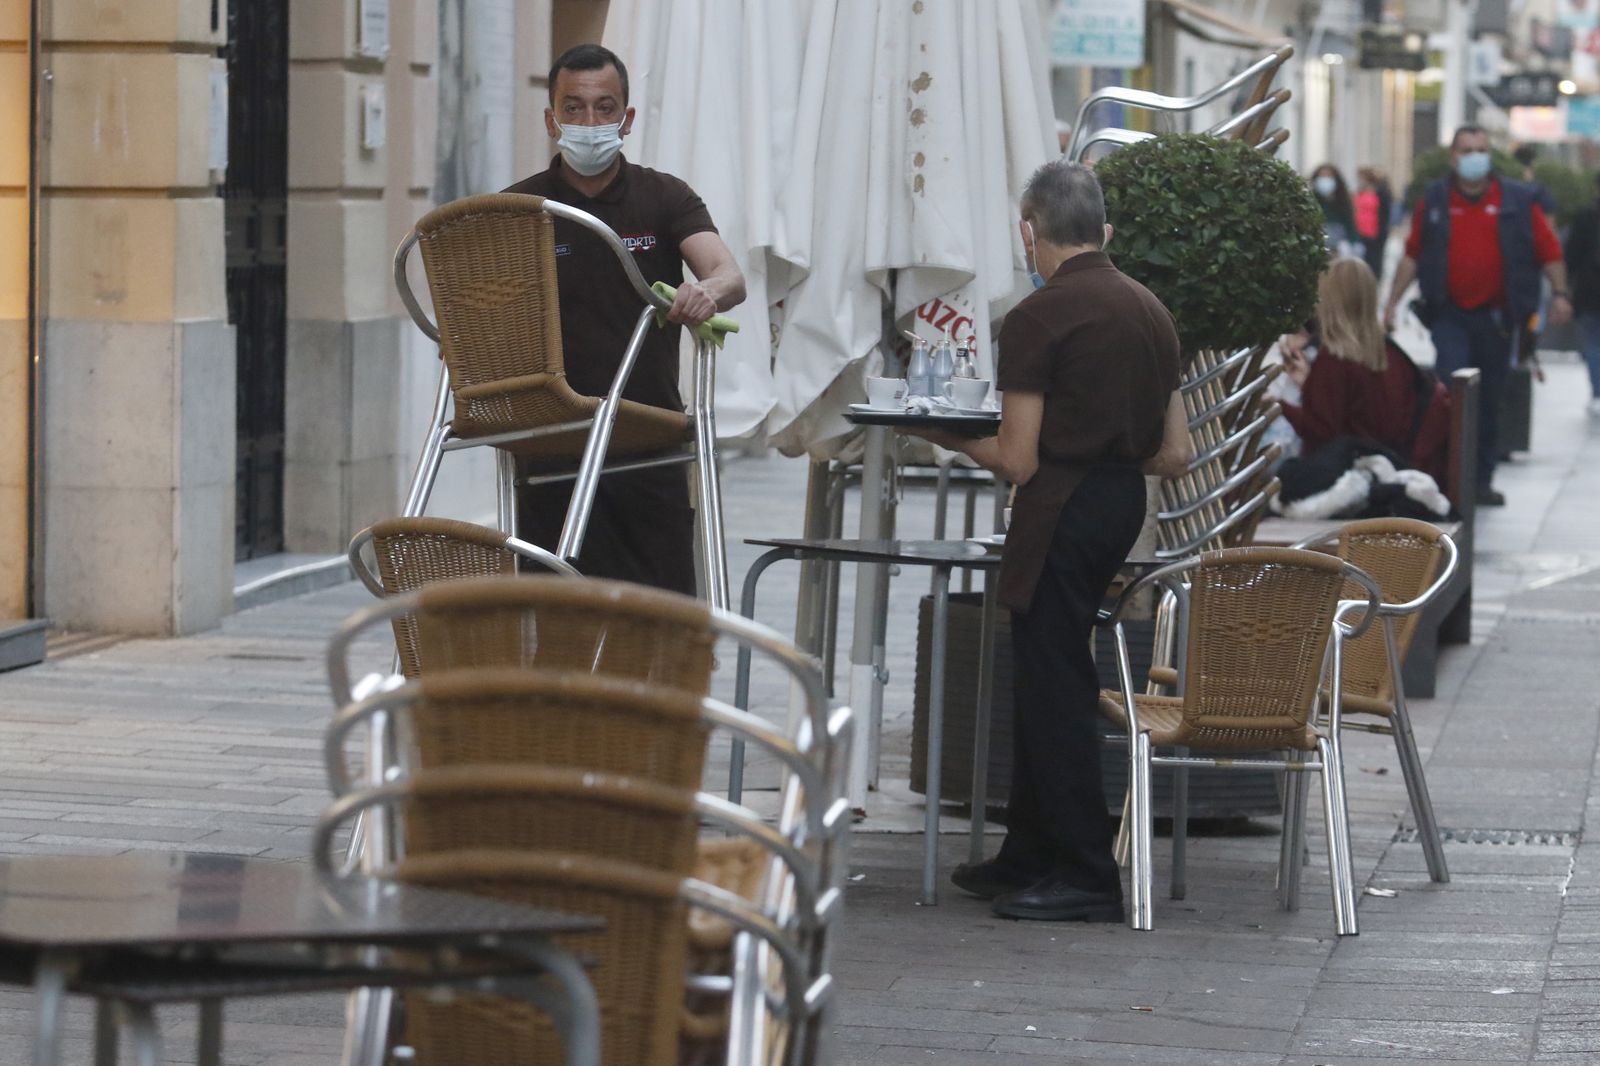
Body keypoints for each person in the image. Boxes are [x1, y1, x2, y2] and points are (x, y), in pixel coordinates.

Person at [906, 161, 1190, 923]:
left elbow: (1018, 459)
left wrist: (942, 433)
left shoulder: (1041, 317)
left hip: (1059, 505)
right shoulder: (1151, 309)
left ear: (1028, 231)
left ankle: (1085, 870)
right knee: (1049, 670)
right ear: (1103, 229)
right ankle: (1029, 851)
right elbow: (1174, 454)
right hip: (1119, 500)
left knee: (1055, 683)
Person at [504, 44, 746, 594]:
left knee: (664, 618)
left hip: (647, 436)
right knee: (560, 616)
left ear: (626, 119)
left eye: (604, 107)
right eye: (574, 108)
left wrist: (706, 292)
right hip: (553, 442)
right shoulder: (520, 209)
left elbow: (729, 275)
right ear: (551, 119)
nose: (589, 122)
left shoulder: (665, 197)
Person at [1382, 125, 1570, 507]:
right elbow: (1413, 254)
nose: (1474, 156)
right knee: (1451, 392)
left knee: (1488, 398)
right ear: (1454, 156)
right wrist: (1391, 303)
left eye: (1481, 149)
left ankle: (1481, 478)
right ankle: (1449, 474)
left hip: (1497, 320)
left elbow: (1548, 251)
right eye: (1467, 149)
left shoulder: (1516, 200)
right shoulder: (1435, 199)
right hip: (1449, 314)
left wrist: (1562, 295)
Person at [1279, 258, 1450, 485]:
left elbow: (1321, 433)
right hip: (1392, 467)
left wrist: (1279, 406)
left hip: (1349, 480)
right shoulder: (1388, 352)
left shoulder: (1333, 359)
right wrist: (1309, 384)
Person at [1563, 172, 1600, 413]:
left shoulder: (1585, 218)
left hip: (1589, 293)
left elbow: (1570, 258)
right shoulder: (1585, 218)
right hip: (1589, 293)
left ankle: (1598, 392)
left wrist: (1564, 290)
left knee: (1593, 345)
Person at [1354, 166, 1393, 282]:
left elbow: (1385, 214)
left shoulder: (1381, 193)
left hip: (1375, 233)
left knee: (1374, 262)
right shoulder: (1359, 192)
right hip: (1360, 232)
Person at [1311, 163, 1358, 256]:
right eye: (1322, 176)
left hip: (1339, 245)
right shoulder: (1311, 199)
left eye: (1328, 176)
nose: (1325, 179)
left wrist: (1352, 243)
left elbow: (1349, 222)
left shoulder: (1343, 199)